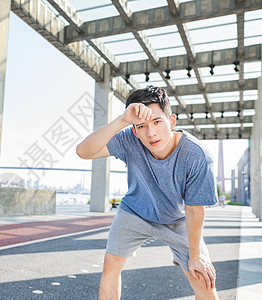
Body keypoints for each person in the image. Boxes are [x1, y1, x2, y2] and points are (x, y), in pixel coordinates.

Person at [76, 86, 219, 300]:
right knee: (110, 267)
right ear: (134, 129)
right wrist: (122, 121)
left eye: (157, 122)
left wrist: (195, 256)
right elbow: (83, 151)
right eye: (141, 126)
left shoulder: (196, 155)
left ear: (171, 122)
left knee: (202, 277)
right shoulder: (129, 139)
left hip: (177, 219)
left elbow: (194, 209)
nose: (150, 133)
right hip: (134, 212)